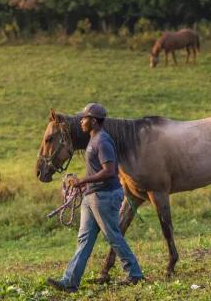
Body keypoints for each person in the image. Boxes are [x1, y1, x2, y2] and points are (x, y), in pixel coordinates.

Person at [47, 103, 144, 293]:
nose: (81, 121)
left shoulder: (102, 141)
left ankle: (134, 273)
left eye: (84, 118)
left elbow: (109, 171)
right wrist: (83, 183)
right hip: (92, 196)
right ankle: (69, 281)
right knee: (84, 239)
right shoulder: (93, 140)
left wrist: (83, 180)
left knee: (113, 236)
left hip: (105, 196)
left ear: (93, 121)